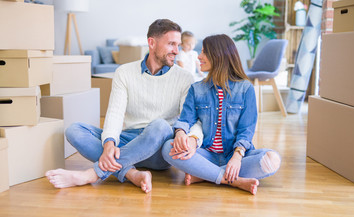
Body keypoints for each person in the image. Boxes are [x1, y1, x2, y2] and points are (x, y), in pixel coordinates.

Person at [46, 19, 203, 193]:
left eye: (178, 45)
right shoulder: (125, 72)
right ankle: (131, 174)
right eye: (171, 44)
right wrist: (109, 143)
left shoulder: (185, 78)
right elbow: (115, 112)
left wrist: (193, 139)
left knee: (160, 125)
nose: (176, 51)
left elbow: (189, 118)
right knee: (74, 130)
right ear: (152, 43)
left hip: (160, 147)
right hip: (129, 140)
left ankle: (92, 174)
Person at [162, 34, 281, 195]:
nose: (199, 56)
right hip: (205, 154)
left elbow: (246, 130)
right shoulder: (196, 89)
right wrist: (180, 134)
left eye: (204, 52)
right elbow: (185, 120)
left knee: (272, 160)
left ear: (218, 56)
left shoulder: (245, 89)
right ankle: (231, 179)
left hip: (235, 154)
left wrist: (237, 157)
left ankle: (206, 175)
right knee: (168, 149)